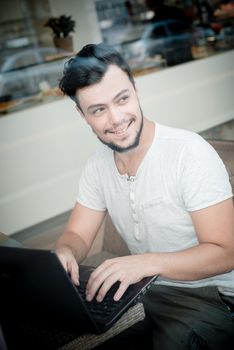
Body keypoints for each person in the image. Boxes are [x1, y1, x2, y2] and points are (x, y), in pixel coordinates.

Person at [56, 43, 234, 349]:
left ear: (135, 89)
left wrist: (143, 263)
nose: (115, 119)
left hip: (213, 298)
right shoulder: (97, 166)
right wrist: (65, 252)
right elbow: (77, 234)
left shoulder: (188, 153)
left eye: (122, 99)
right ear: (82, 114)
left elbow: (226, 253)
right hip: (146, 293)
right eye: (98, 110)